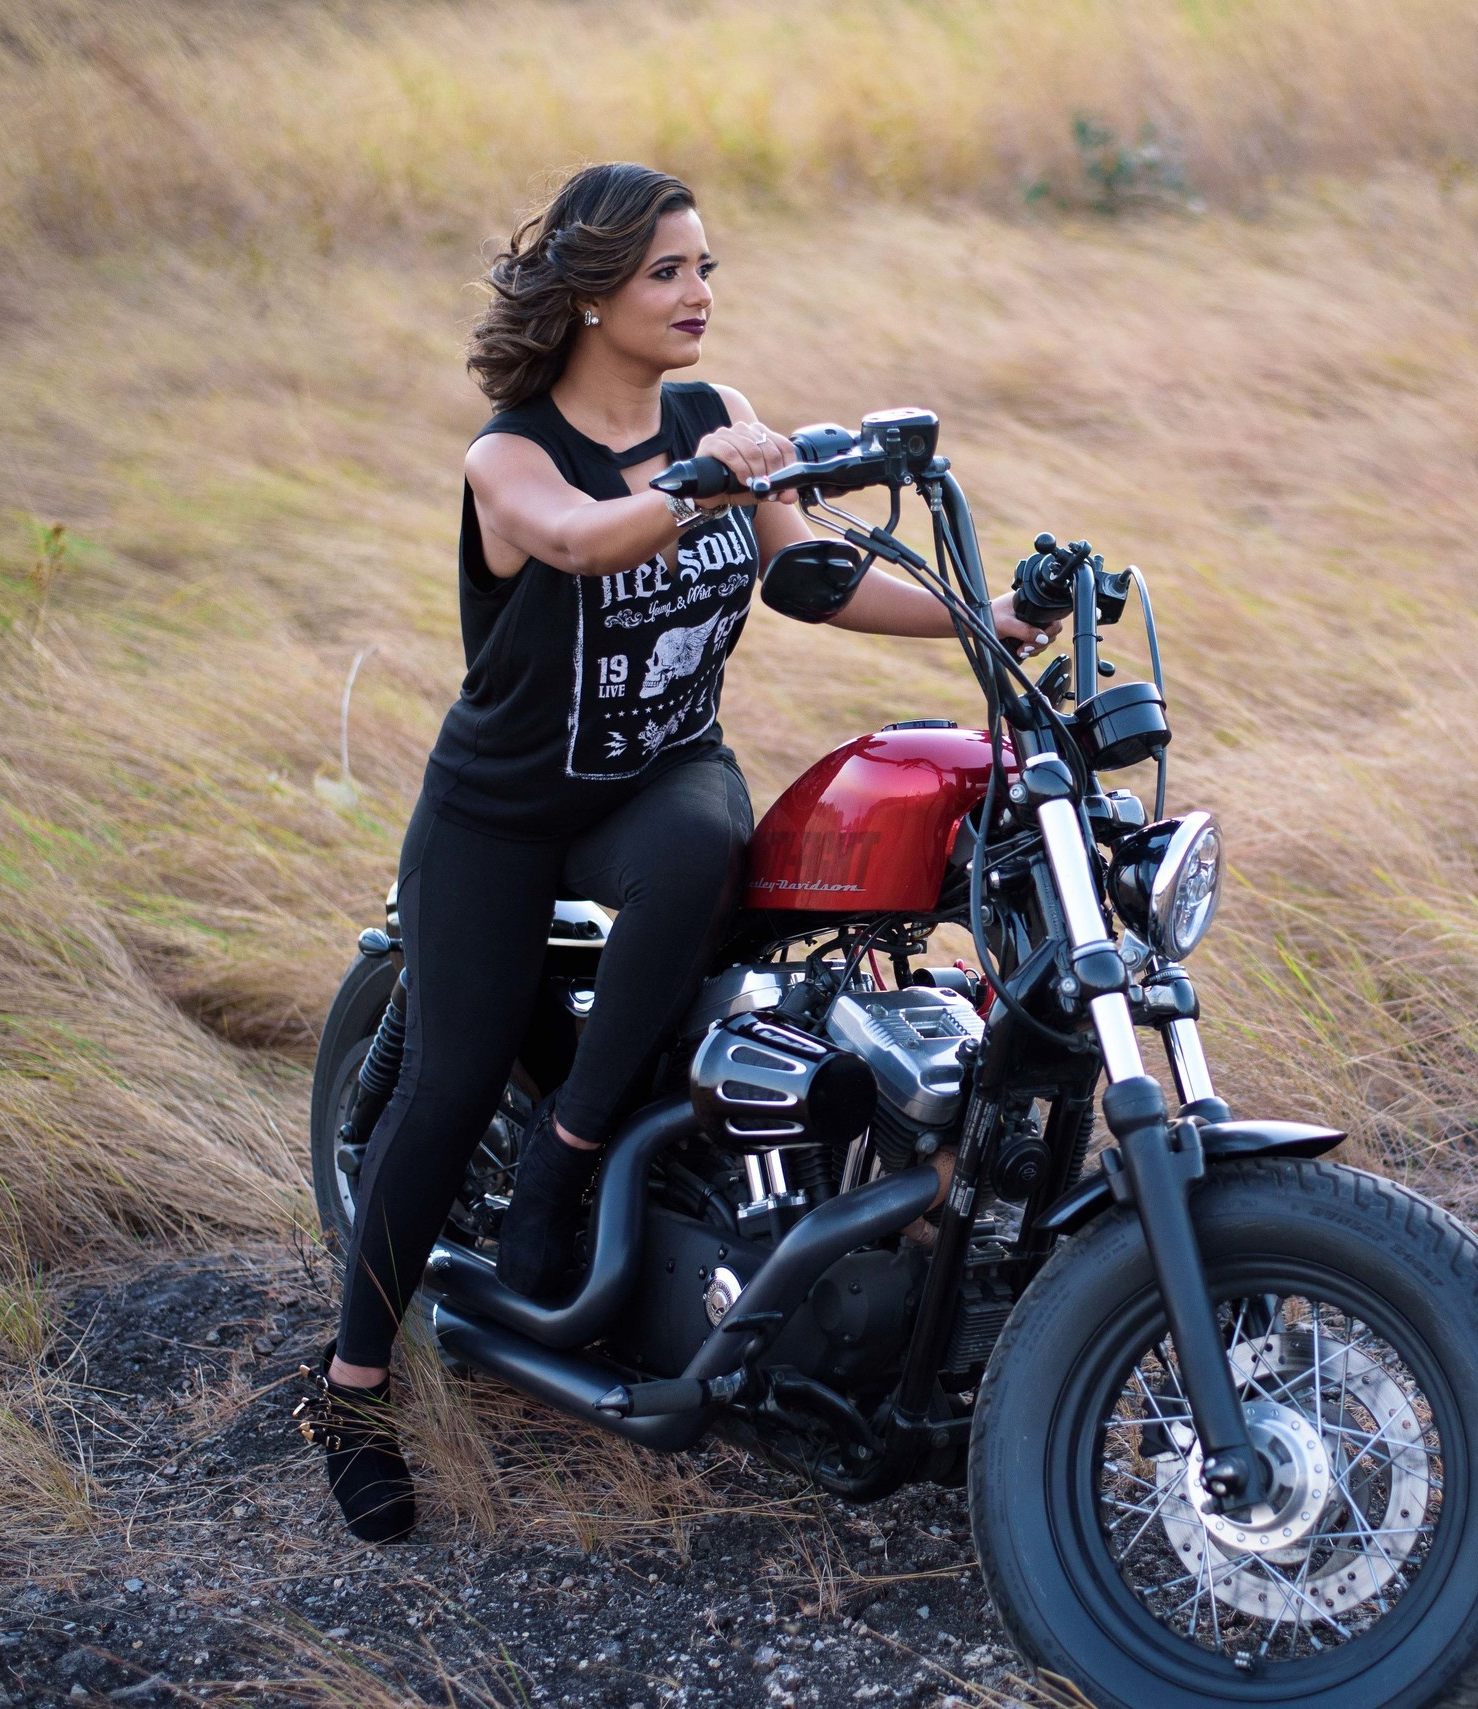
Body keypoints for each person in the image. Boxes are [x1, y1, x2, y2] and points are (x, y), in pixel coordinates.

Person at [295, 163, 1055, 1541]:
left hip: (658, 776)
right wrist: (704, 484)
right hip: (502, 810)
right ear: (593, 297)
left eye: (706, 267)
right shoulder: (512, 459)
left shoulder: (716, 415)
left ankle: (579, 1152)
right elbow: (583, 541)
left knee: (712, 843)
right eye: (668, 272)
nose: (699, 293)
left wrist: (980, 619)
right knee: (450, 1083)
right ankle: (350, 1389)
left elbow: (809, 577)